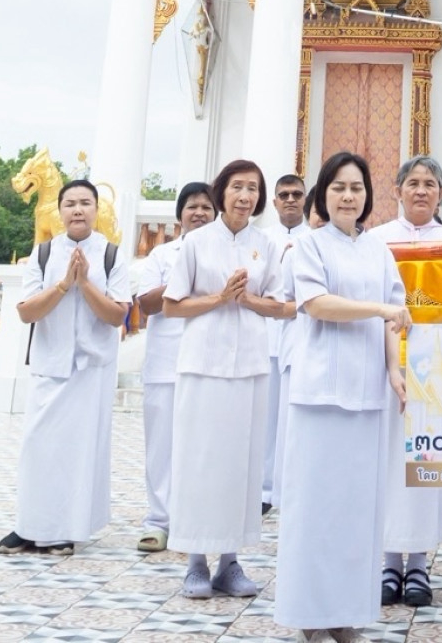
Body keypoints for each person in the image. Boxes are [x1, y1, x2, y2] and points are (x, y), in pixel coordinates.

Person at [275, 152, 412, 643]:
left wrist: (394, 370)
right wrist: (378, 309)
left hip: (367, 394)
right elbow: (316, 304)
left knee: (356, 510)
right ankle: (310, 614)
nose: (348, 196)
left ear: (367, 195)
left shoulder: (378, 250)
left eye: (356, 187)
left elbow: (395, 315)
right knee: (316, 508)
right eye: (338, 187)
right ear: (323, 194)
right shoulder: (309, 246)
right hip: (319, 394)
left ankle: (345, 613)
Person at [164, 159, 293, 597]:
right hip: (203, 365)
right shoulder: (196, 242)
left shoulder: (265, 244)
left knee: (241, 463)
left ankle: (230, 562)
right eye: (238, 186)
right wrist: (220, 298)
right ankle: (196, 562)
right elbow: (172, 306)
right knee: (201, 461)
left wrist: (248, 300)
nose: (245, 196)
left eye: (253, 188)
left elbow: (281, 305)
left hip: (250, 367)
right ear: (222, 192)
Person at [0, 177, 138, 555]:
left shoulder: (111, 255)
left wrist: (86, 283)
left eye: (85, 203)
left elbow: (117, 316)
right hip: (50, 365)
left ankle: (65, 529)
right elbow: (27, 312)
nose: (78, 210)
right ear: (59, 211)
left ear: (96, 209)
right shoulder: (43, 253)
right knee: (37, 446)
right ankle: (29, 526)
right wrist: (63, 285)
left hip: (91, 369)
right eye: (70, 204)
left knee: (77, 453)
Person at [365, 155, 442, 607]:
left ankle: (420, 564)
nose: (421, 190)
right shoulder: (375, 241)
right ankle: (389, 564)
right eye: (413, 183)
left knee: (426, 461)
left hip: (435, 369)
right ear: (398, 190)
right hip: (385, 363)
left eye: (430, 184)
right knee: (388, 460)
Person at [131, 182, 217, 553]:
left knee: (202, 447)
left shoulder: (224, 253)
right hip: (166, 364)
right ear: (180, 214)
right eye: (192, 206)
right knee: (161, 446)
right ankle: (159, 521)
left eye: (206, 207)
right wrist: (182, 279)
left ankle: (194, 521)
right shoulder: (162, 254)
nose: (199, 213)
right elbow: (147, 304)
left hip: (210, 363)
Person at [260, 172, 309, 514]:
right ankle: (264, 489)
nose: (290, 200)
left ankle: (291, 486)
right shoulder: (261, 239)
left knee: (294, 420)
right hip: (264, 338)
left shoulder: (315, 240)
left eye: (296, 194)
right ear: (275, 201)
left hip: (297, 339)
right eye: (284, 195)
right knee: (266, 420)